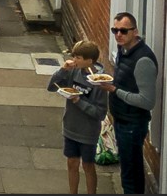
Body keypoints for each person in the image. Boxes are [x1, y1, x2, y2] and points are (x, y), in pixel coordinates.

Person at [91, 12, 159, 195]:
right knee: (128, 169)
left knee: (131, 175)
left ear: (135, 32)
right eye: (115, 30)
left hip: (133, 124)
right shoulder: (123, 50)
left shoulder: (143, 60)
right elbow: (125, 80)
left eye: (123, 31)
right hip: (121, 120)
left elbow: (147, 101)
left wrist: (114, 90)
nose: (118, 35)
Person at [46, 40, 107, 195]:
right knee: (72, 163)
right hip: (70, 127)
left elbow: (100, 113)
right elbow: (51, 87)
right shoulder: (73, 71)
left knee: (88, 165)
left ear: (90, 61)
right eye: (74, 56)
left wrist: (78, 101)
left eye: (78, 57)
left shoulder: (99, 82)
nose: (74, 60)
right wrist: (62, 71)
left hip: (88, 132)